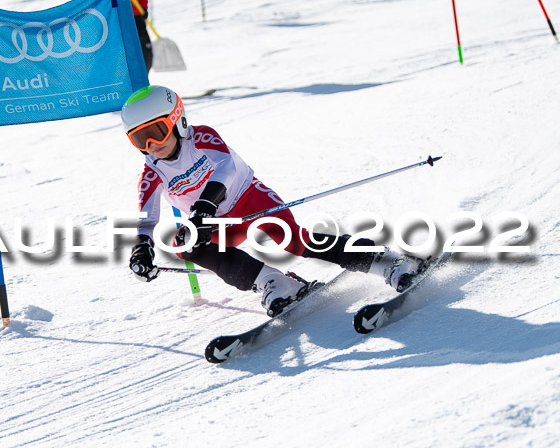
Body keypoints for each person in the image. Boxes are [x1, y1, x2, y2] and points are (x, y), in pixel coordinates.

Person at [122, 85, 424, 316]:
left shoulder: (202, 138)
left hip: (249, 198)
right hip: (216, 221)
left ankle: (385, 261)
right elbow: (147, 221)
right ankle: (272, 281)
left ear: (177, 120)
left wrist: (203, 207)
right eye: (139, 139)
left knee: (293, 241)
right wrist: (142, 250)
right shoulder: (152, 174)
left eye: (157, 132)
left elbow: (227, 169)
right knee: (183, 242)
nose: (151, 145)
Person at [93, 0, 152, 72]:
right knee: (123, 54)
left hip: (136, 15)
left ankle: (143, 81)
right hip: (118, 15)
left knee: (145, 52)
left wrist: (144, 6)